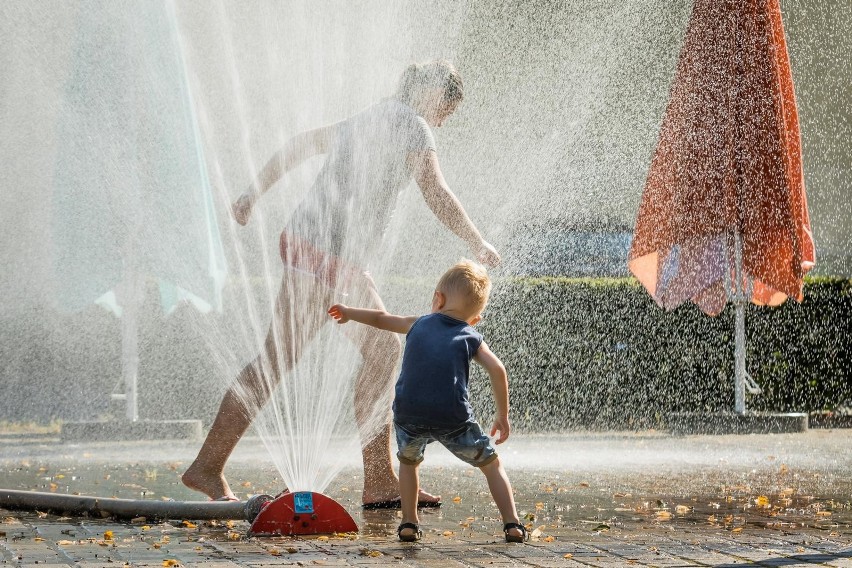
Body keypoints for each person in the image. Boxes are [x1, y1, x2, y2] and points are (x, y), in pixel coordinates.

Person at [181, 60, 501, 508]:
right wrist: (476, 240)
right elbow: (435, 189)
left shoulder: (372, 116)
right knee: (381, 351)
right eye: (448, 107)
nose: (444, 119)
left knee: (283, 360)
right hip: (328, 255)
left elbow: (300, 145)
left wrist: (253, 193)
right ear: (433, 94)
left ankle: (209, 465)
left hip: (312, 249)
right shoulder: (412, 124)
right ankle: (377, 480)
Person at [327, 260, 527, 543]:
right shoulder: (471, 335)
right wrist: (502, 415)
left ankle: (409, 523)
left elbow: (382, 318)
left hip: (409, 414)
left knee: (409, 463)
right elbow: (498, 369)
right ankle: (513, 525)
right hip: (452, 418)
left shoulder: (417, 323)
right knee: (492, 465)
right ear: (475, 319)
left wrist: (349, 312)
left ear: (438, 299)